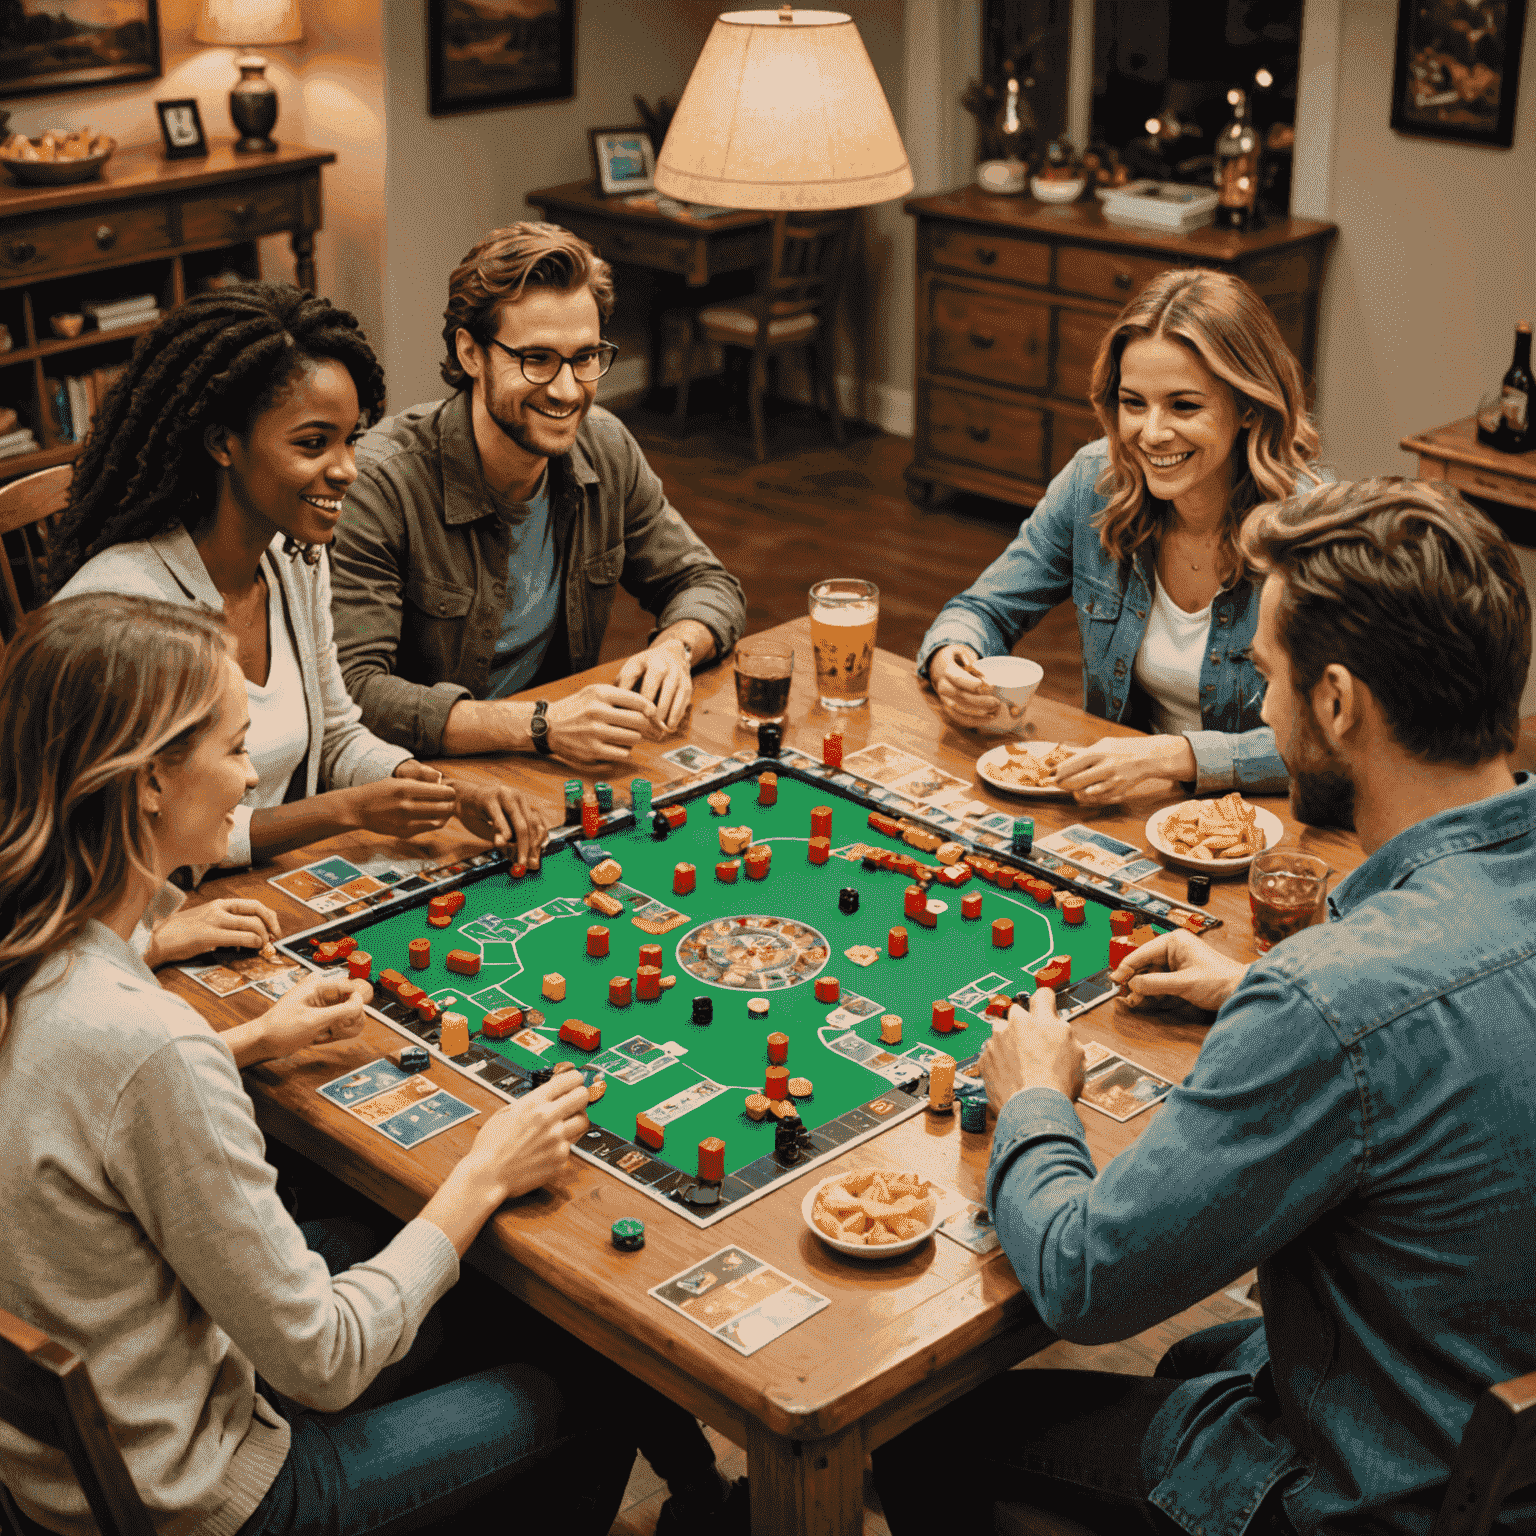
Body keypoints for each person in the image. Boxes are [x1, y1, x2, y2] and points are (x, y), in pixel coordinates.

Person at [873, 477, 1536, 1536]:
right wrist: (1265, 997)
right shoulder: (1344, 995)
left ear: (1337, 703)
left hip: (1373, 1496)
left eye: (1267, 679)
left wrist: (1036, 1101)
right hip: (1498, 1443)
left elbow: (1086, 1286)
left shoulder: (1330, 1001)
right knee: (1197, 1357)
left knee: (915, 1429)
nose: (1261, 713)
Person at [0, 594, 743, 1536]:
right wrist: (484, 1172)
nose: (248, 780)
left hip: (70, 1467)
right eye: (234, 750)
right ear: (149, 782)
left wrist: (246, 1043)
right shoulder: (150, 1046)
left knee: (408, 1251)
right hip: (223, 1498)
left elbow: (82, 1105)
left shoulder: (34, 959)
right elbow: (327, 1357)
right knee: (590, 1361)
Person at [49, 282, 547, 971]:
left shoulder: (293, 556)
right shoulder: (126, 611)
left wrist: (437, 787)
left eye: (352, 440)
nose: (346, 470)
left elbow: (337, 731)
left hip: (278, 894)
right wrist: (347, 811)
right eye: (313, 443)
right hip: (144, 931)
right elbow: (122, 832)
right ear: (223, 443)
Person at [327, 221, 747, 767]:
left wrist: (676, 647)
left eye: (585, 357)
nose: (569, 389)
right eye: (538, 359)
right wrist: (541, 725)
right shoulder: (381, 484)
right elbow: (354, 692)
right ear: (471, 353)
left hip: (550, 766)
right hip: (423, 779)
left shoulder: (606, 446)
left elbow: (706, 582)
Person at [918, 268, 1326, 803]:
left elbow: (1326, 749)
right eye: (1134, 403)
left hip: (1264, 824)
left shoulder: (1313, 532)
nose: (1151, 433)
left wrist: (1172, 756)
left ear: (1248, 406)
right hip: (1122, 804)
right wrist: (952, 656)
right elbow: (985, 608)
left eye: (1184, 405)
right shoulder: (1095, 481)